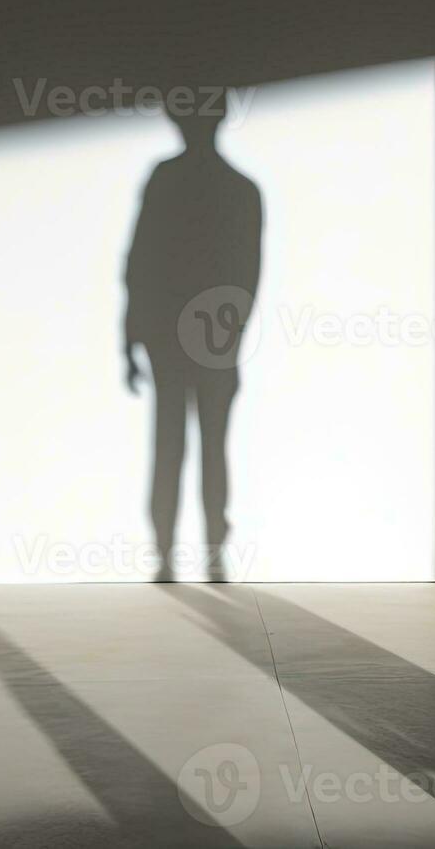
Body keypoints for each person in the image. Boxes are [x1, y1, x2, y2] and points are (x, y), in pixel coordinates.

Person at [122, 108, 263, 582]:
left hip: (177, 338)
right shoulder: (239, 189)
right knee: (204, 446)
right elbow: (245, 278)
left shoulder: (170, 180)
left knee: (172, 446)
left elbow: (139, 264)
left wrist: (131, 335)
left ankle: (174, 555)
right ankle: (202, 554)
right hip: (208, 341)